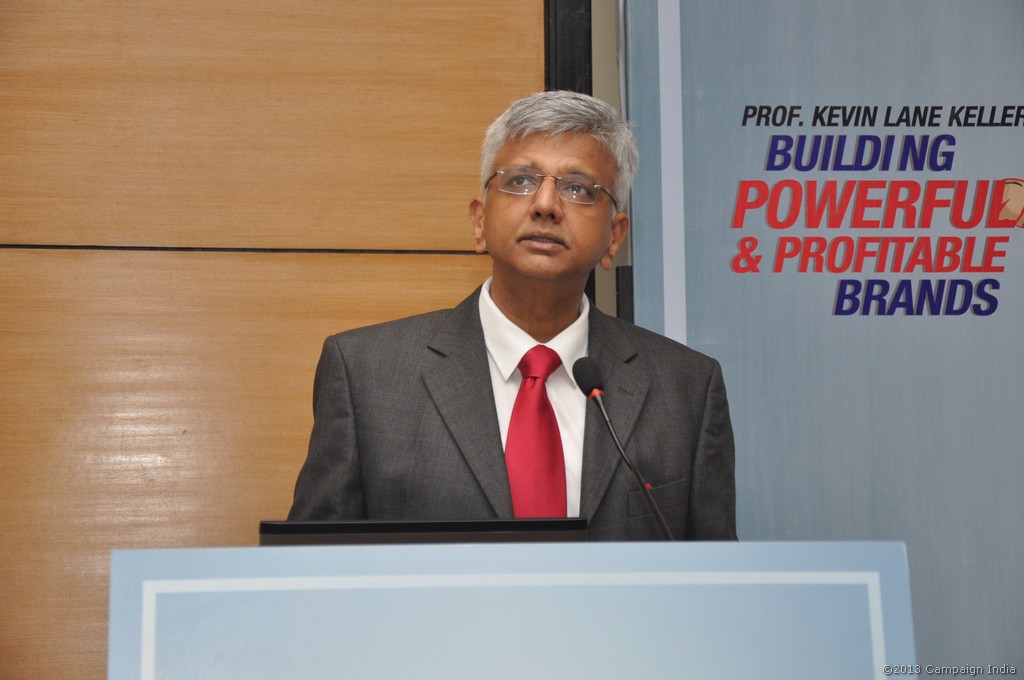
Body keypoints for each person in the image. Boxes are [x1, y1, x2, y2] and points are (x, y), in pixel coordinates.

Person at [288, 91, 735, 540]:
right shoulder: (367, 375)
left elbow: (717, 572)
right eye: (520, 180)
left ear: (614, 238)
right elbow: (317, 565)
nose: (546, 205)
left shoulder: (686, 389)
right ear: (479, 221)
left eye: (578, 188)